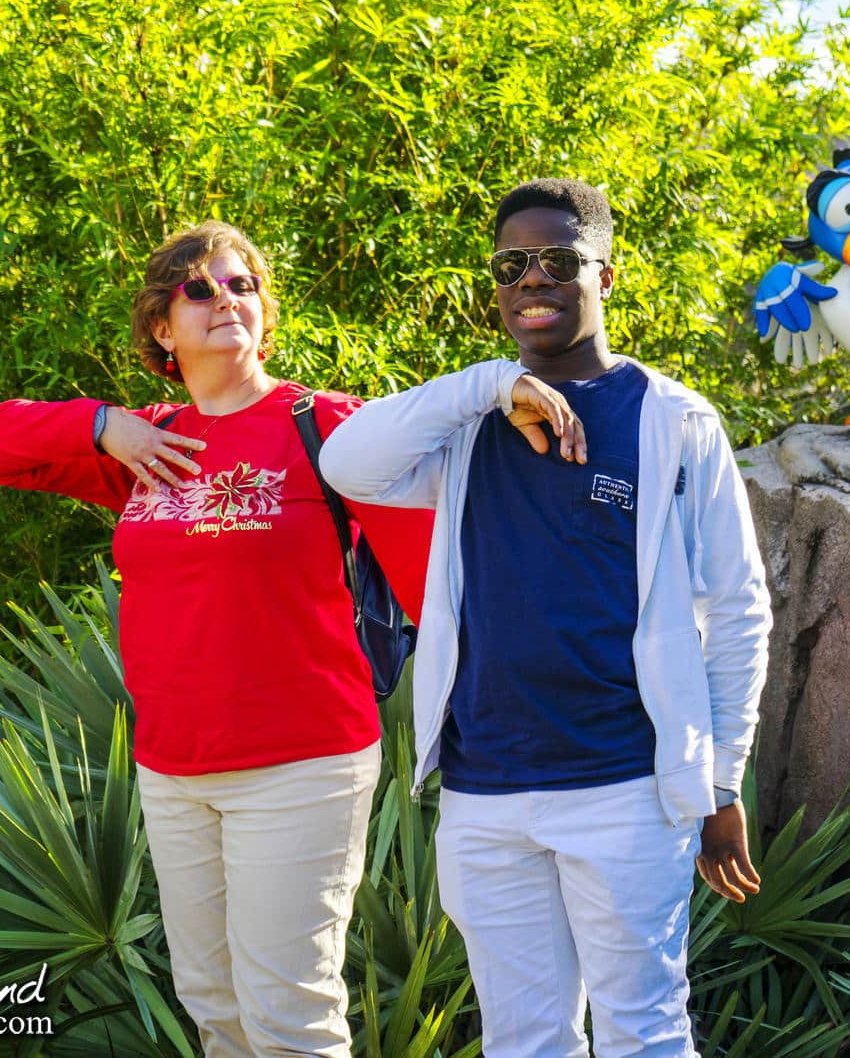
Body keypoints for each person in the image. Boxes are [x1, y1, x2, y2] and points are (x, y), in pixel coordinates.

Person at [316, 179, 771, 1058]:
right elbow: (346, 462)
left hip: (626, 788)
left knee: (642, 1031)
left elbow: (738, 608)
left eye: (558, 261)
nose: (534, 280)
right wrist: (494, 385)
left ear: (606, 272)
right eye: (511, 266)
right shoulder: (465, 424)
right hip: (485, 790)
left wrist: (720, 782)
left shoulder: (675, 420)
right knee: (524, 1039)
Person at [0, 221, 433, 1058]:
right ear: (160, 326)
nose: (227, 301)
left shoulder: (322, 425)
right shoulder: (147, 443)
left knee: (290, 1018)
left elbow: (434, 573)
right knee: (216, 1009)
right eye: (201, 289)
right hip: (175, 768)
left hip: (303, 764)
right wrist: (106, 424)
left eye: (242, 284)